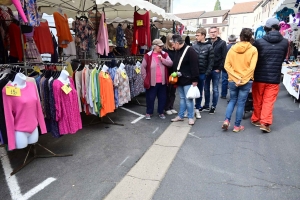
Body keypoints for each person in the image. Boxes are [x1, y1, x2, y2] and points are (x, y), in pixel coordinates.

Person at [251, 18, 288, 133]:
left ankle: (256, 118)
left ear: (266, 28)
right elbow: (282, 58)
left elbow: (255, 59)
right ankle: (265, 122)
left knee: (257, 98)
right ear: (278, 27)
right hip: (274, 77)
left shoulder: (259, 42)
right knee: (268, 100)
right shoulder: (285, 42)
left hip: (259, 76)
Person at [222, 28, 258, 132]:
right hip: (246, 80)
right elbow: (252, 67)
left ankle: (226, 120)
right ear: (250, 37)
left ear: (240, 36)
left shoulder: (232, 49)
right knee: (241, 103)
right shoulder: (253, 50)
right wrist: (243, 79)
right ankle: (237, 126)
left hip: (233, 80)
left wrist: (236, 78)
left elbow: (227, 66)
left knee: (232, 100)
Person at [170, 35, 199, 125]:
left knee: (188, 99)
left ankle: (190, 117)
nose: (172, 46)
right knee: (182, 98)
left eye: (173, 44)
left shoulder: (190, 50)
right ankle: (181, 116)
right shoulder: (178, 50)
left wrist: (195, 79)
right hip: (180, 79)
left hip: (188, 79)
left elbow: (195, 66)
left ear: (177, 43)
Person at [141, 39, 173, 120]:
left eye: (162, 46)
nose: (161, 48)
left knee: (162, 98)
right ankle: (149, 112)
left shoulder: (164, 54)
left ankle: (161, 112)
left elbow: (170, 64)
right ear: (154, 46)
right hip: (152, 81)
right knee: (150, 98)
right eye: (160, 46)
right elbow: (143, 68)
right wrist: (145, 78)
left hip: (162, 81)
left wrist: (162, 59)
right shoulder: (147, 56)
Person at [201, 27, 227, 114]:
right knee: (206, 88)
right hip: (207, 69)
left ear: (218, 32)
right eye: (211, 32)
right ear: (209, 33)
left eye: (214, 32)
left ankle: (213, 106)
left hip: (216, 69)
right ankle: (206, 105)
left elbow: (224, 57)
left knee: (215, 89)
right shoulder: (206, 42)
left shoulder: (222, 43)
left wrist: (219, 68)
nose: (213, 33)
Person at [192, 28, 214, 119]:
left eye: (198, 35)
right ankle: (189, 109)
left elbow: (211, 61)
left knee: (199, 92)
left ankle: (197, 108)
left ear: (203, 35)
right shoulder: (193, 45)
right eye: (196, 35)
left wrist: (206, 73)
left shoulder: (209, 47)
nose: (196, 37)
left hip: (202, 73)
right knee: (190, 91)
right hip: (193, 72)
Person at [163, 33, 177, 115]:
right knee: (167, 91)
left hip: (174, 73)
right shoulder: (165, 50)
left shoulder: (176, 50)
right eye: (172, 39)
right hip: (167, 73)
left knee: (173, 91)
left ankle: (171, 106)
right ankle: (166, 107)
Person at [221, 34, 237, 99]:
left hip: (226, 67)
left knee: (224, 81)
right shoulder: (237, 47)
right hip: (234, 68)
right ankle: (232, 96)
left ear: (228, 40)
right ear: (235, 40)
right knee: (233, 82)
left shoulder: (226, 47)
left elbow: (223, 57)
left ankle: (223, 94)